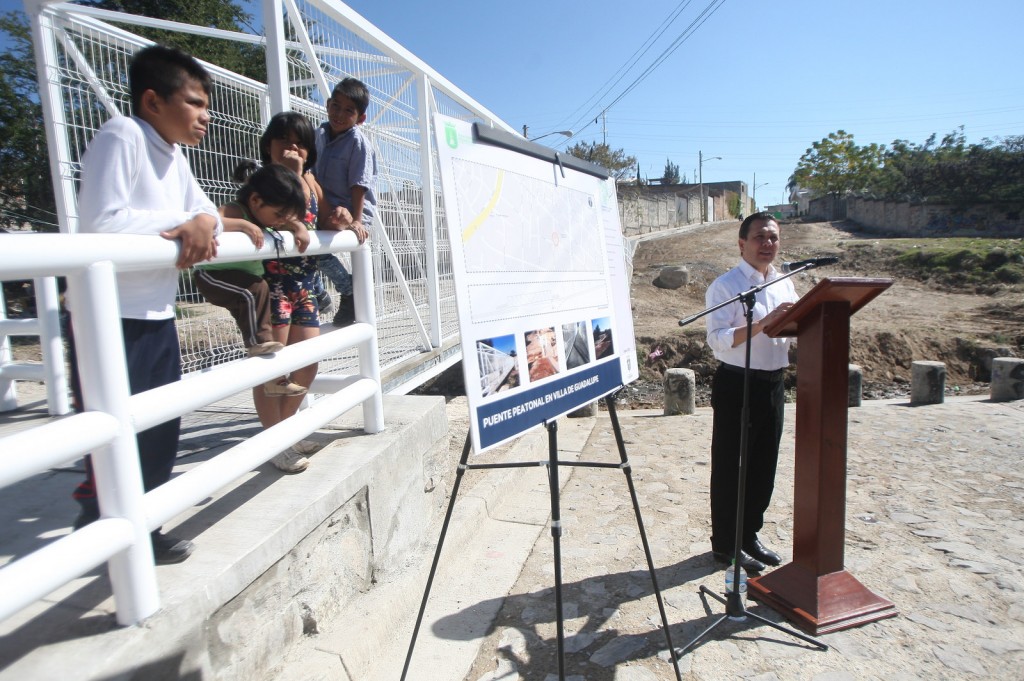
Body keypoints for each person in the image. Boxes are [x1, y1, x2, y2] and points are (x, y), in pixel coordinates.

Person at [70, 45, 221, 564]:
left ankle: (144, 527)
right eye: (196, 103)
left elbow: (205, 214)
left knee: (159, 430)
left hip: (156, 313)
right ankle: (103, 529)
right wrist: (185, 225)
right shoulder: (124, 136)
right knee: (112, 435)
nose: (206, 115)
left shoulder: (174, 154)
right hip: (108, 318)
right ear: (153, 101)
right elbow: (102, 224)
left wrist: (202, 222)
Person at [253, 111, 352, 473]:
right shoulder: (263, 178)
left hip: (304, 285)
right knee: (271, 369)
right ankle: (273, 439)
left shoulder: (312, 183)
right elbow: (271, 214)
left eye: (300, 144)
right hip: (272, 285)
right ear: (269, 147)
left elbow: (321, 218)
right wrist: (292, 175)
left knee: (307, 363)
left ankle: (287, 429)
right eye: (285, 143)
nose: (293, 149)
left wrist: (340, 219)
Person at [705, 212, 797, 573]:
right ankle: (725, 544)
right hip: (737, 383)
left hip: (773, 384)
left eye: (773, 238)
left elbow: (791, 328)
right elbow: (717, 341)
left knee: (763, 466)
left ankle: (749, 535)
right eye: (760, 237)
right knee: (731, 468)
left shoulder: (784, 283)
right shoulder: (726, 286)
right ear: (742, 243)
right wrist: (761, 325)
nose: (767, 244)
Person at [195, 163, 310, 397]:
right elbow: (214, 220)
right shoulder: (236, 210)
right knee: (256, 293)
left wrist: (298, 226)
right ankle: (260, 348)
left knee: (256, 302)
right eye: (278, 215)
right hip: (213, 276)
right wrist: (242, 225)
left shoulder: (266, 217)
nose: (279, 222)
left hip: (242, 281)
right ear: (256, 201)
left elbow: (288, 221)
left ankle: (271, 378)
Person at [314, 77, 374, 326]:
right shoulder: (319, 133)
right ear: (327, 104)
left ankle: (348, 289)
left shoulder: (358, 142)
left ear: (360, 118)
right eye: (335, 106)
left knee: (316, 245)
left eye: (348, 111)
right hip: (321, 204)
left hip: (348, 207)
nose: (339, 114)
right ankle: (318, 293)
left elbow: (359, 184)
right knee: (302, 244)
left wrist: (356, 220)